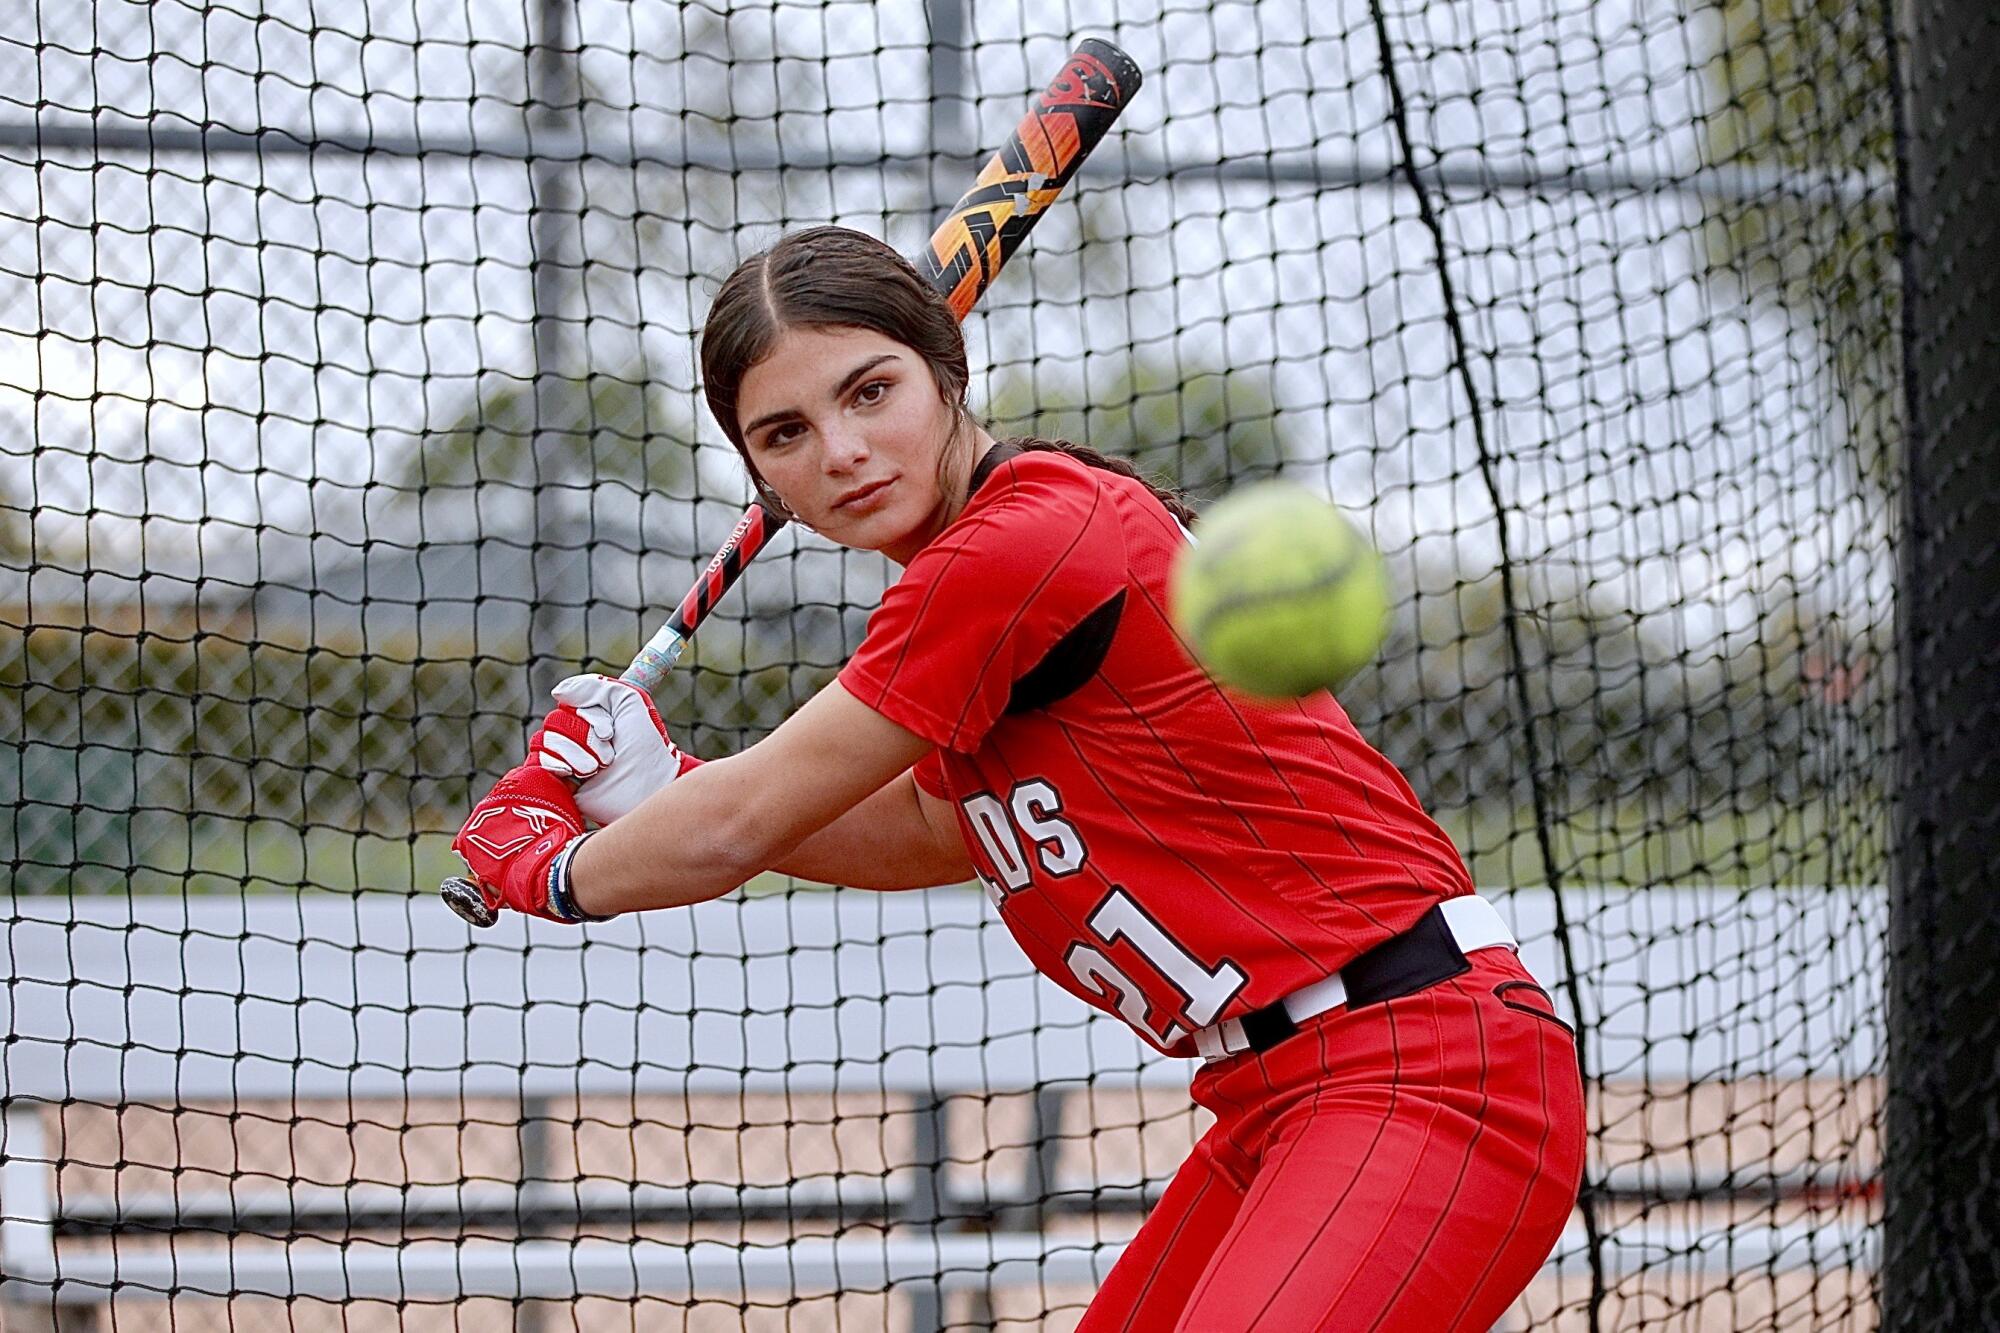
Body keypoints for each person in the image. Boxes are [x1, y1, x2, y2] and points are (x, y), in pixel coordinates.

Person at [452, 225, 1585, 1330]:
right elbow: (928, 830)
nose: (839, 450)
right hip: (1276, 1097)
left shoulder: (1014, 544)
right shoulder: (977, 571)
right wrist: (661, 784)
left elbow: (737, 825)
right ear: (758, 470)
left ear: (946, 375)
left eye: (868, 392)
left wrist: (550, 870)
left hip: (1422, 1071)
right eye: (784, 431)